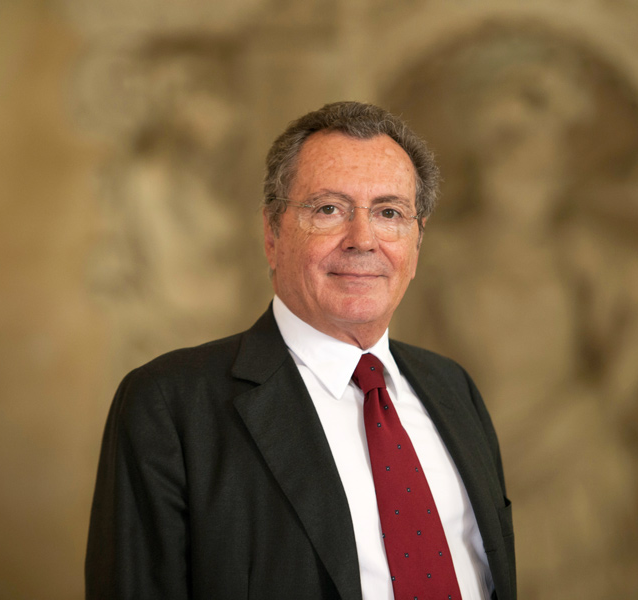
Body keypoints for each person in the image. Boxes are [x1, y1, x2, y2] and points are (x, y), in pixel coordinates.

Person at [85, 101, 515, 600]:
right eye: (328, 209)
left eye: (389, 213)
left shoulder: (454, 390)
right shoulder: (170, 406)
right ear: (272, 234)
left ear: (416, 244)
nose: (363, 240)